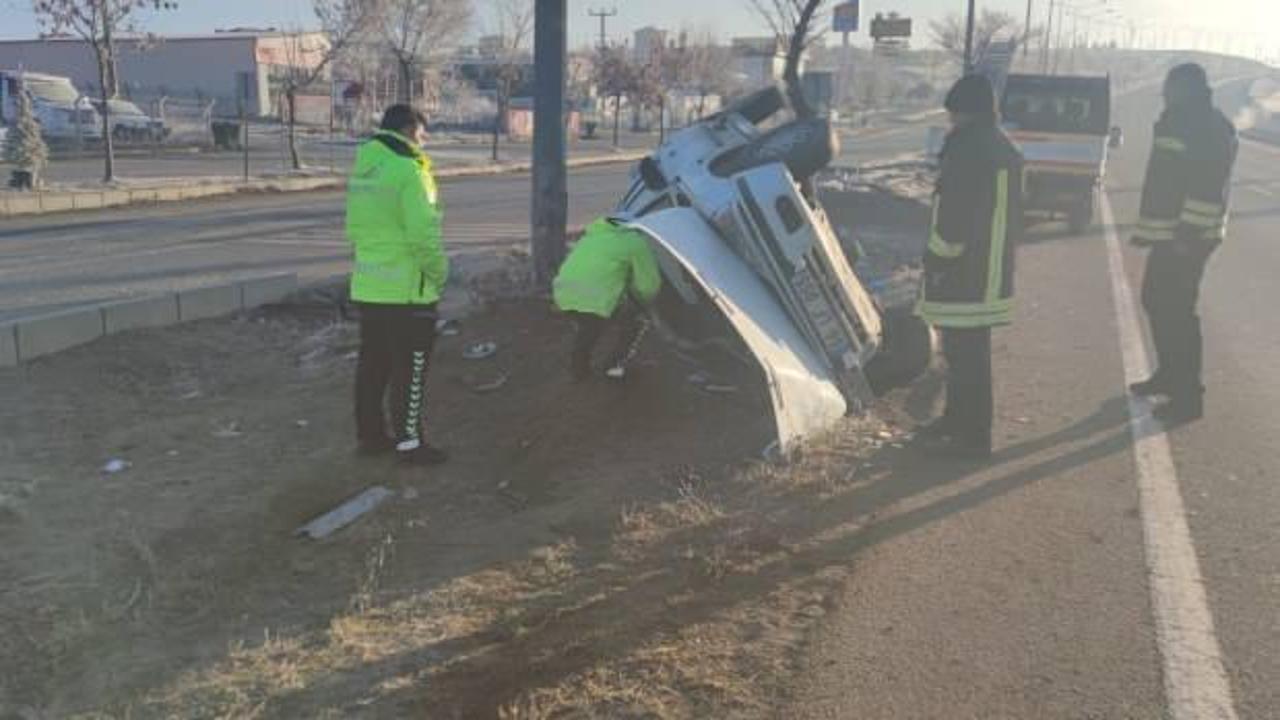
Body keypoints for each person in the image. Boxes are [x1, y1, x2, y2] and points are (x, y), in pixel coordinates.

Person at [915, 74, 1023, 459]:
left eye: (954, 114)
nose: (951, 121)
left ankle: (973, 435)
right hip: (986, 268)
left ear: (967, 111)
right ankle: (958, 420)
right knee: (964, 354)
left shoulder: (969, 149)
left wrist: (938, 258)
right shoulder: (998, 146)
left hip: (966, 271)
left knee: (967, 357)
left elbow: (955, 216)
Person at [1129, 63, 1238, 424]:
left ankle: (1188, 396)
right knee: (1156, 301)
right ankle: (1170, 374)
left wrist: (1186, 236)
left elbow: (1207, 187)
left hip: (1190, 237)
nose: (1163, 91)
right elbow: (1166, 179)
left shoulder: (1207, 125)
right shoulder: (1181, 119)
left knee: (1177, 311)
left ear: (1187, 89)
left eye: (1170, 86)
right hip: (1172, 234)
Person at [346, 104, 449, 465]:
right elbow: (423, 235)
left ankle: (371, 436)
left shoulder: (366, 168)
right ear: (408, 129)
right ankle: (410, 445)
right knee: (411, 367)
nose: (424, 143)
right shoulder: (410, 171)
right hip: (408, 290)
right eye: (422, 135)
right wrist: (439, 273)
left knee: (373, 364)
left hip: (370, 286)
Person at [553, 216, 663, 381]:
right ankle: (612, 367)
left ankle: (579, 370)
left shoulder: (592, 237)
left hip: (563, 293)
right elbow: (648, 285)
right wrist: (644, 302)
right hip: (593, 298)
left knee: (588, 328)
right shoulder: (634, 241)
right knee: (635, 322)